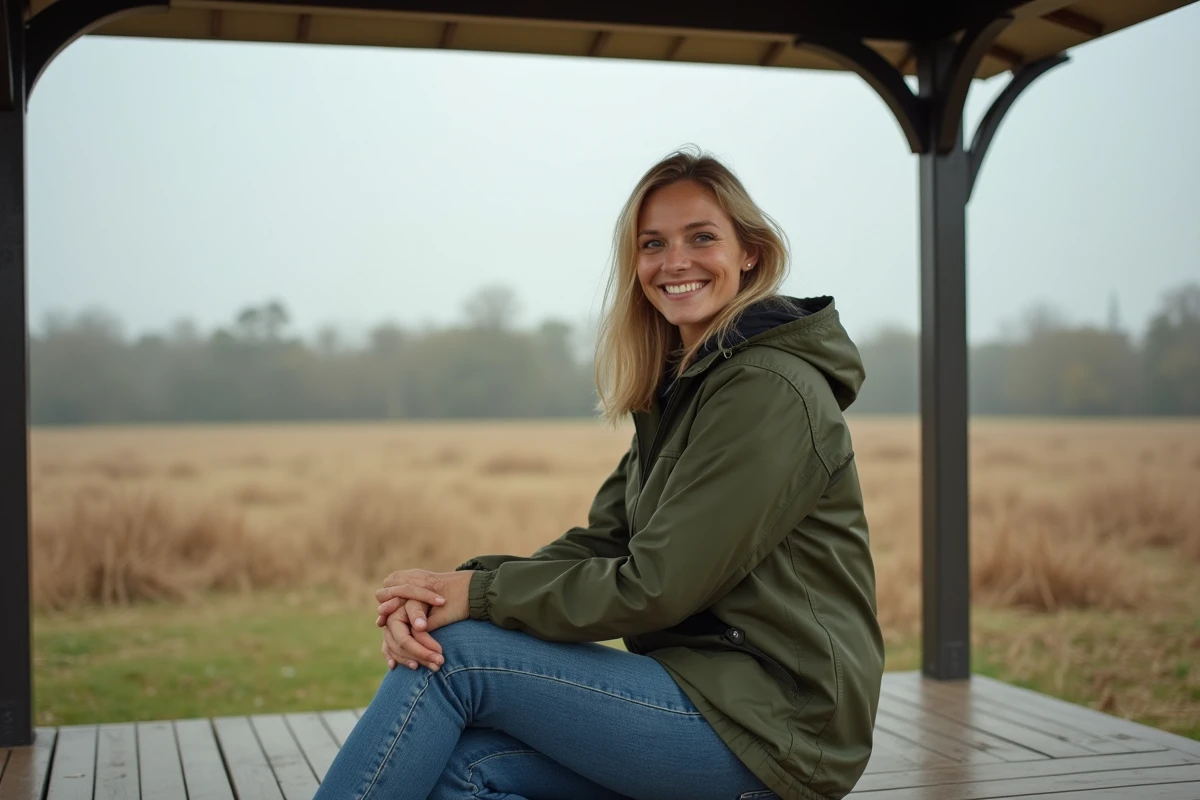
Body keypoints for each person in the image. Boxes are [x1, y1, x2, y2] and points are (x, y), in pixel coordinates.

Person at [313, 147, 884, 800]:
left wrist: (478, 601)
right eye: (653, 244)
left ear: (749, 251)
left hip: (776, 728)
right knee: (461, 768)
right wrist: (458, 588)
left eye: (702, 237)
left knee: (457, 661)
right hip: (707, 697)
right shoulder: (685, 393)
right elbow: (605, 542)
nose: (676, 262)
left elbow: (656, 587)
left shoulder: (766, 391)